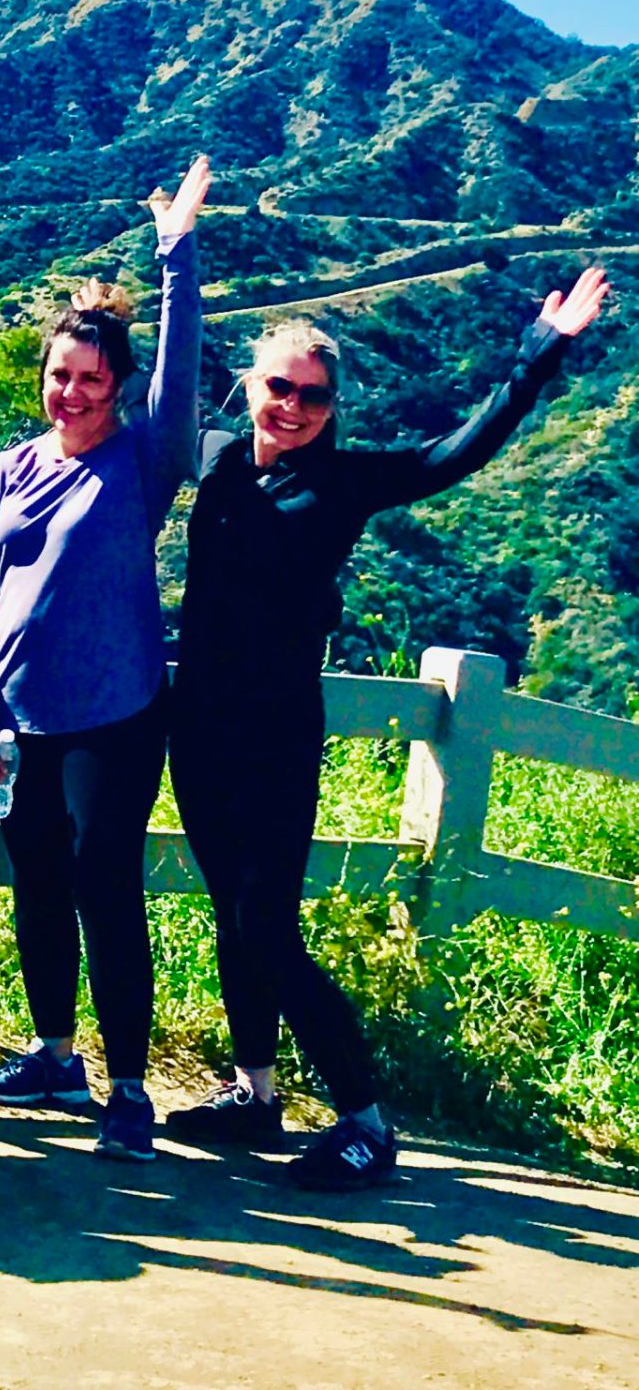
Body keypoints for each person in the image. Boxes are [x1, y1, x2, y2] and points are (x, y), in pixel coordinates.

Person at [167, 266, 612, 1189]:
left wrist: (541, 353)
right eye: (279, 386)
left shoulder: (344, 484)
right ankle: (255, 1097)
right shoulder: (211, 455)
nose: (292, 405)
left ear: (333, 407)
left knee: (268, 930)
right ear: (251, 384)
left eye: (313, 395)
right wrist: (178, 256)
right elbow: (158, 397)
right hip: (197, 727)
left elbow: (457, 453)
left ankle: (368, 1121)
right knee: (231, 920)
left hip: (276, 737)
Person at [0, 154, 209, 1164]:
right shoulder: (10, 469)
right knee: (37, 884)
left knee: (106, 885)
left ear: (114, 388)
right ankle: (57, 1054)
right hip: (20, 722)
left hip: (116, 714)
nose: (71, 391)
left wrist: (177, 252)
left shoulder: (143, 462)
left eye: (90, 379)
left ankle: (131, 1088)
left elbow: (179, 372)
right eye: (60, 375)